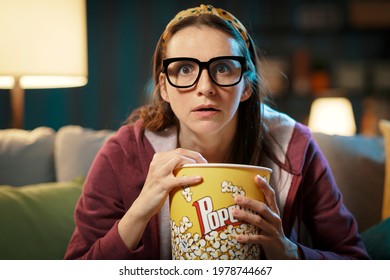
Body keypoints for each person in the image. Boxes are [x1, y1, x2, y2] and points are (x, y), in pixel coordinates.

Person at [64, 4, 370, 260]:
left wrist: (288, 252)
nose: (205, 88)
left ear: (247, 85)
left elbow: (356, 263)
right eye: (184, 69)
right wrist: (139, 212)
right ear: (164, 88)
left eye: (223, 68)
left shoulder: (293, 146)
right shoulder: (126, 152)